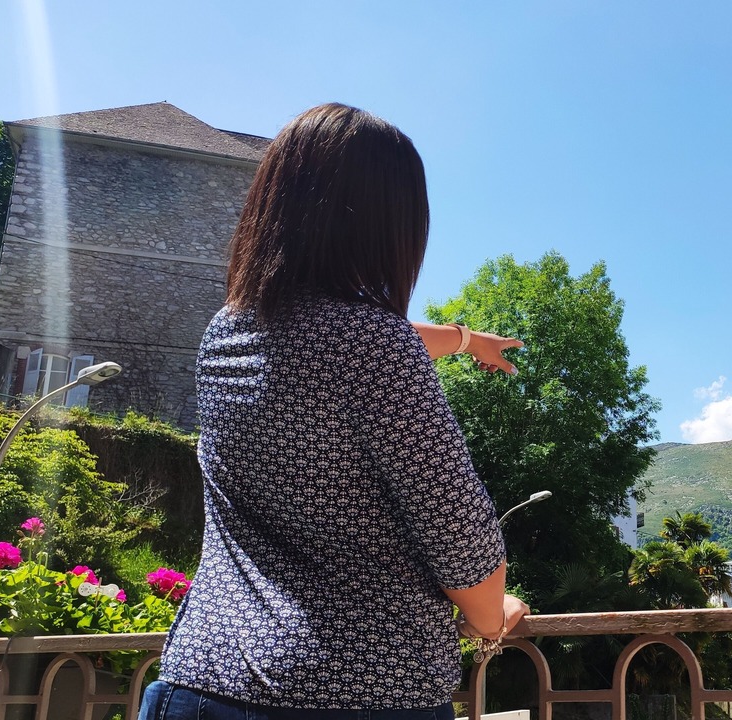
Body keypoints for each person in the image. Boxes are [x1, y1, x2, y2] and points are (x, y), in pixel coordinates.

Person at [138, 103, 529, 720]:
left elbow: (338, 337)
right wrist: (492, 615)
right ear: (389, 227)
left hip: (200, 683)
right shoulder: (374, 347)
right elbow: (461, 540)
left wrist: (460, 338)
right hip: (355, 696)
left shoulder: (226, 333)